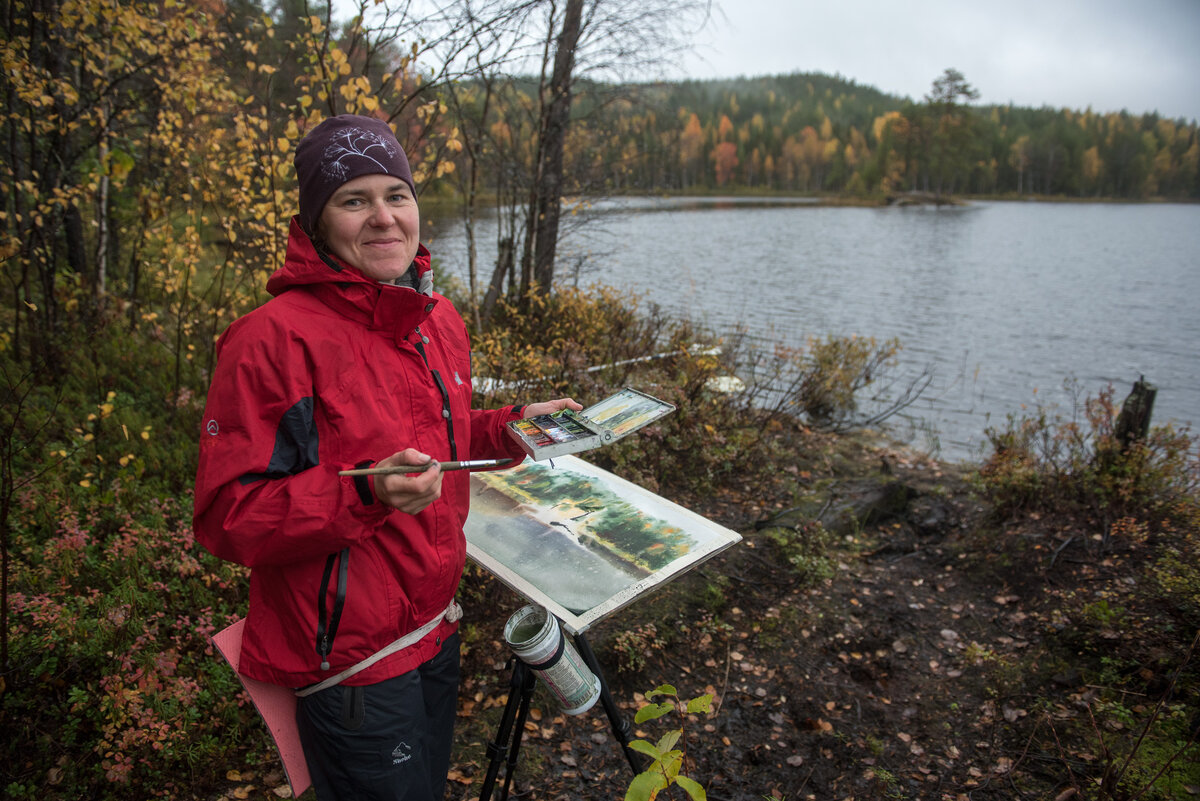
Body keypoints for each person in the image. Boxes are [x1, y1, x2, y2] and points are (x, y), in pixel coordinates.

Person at [193, 114, 581, 801]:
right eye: (354, 200)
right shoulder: (269, 342)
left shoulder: (438, 321)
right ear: (316, 222)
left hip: (435, 629)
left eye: (395, 195)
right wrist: (362, 495)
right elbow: (229, 517)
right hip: (352, 666)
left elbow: (444, 432)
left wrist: (513, 427)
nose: (383, 218)